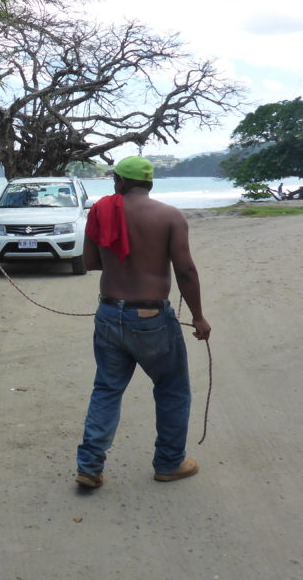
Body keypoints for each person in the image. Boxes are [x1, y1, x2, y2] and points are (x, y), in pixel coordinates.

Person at [74, 156, 211, 489]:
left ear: (119, 182)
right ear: (150, 183)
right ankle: (168, 464)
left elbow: (90, 262)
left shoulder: (100, 211)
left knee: (106, 389)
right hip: (151, 316)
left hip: (109, 312)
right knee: (173, 390)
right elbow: (185, 270)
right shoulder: (170, 216)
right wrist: (198, 317)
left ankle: (90, 467)